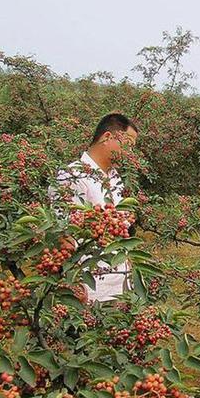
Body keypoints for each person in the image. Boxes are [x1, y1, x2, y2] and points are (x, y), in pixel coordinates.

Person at [50, 113, 139, 302]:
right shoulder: (71, 176)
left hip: (120, 285)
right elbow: (63, 233)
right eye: (128, 145)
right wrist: (72, 282)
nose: (131, 153)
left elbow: (121, 230)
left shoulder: (116, 179)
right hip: (90, 289)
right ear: (107, 137)